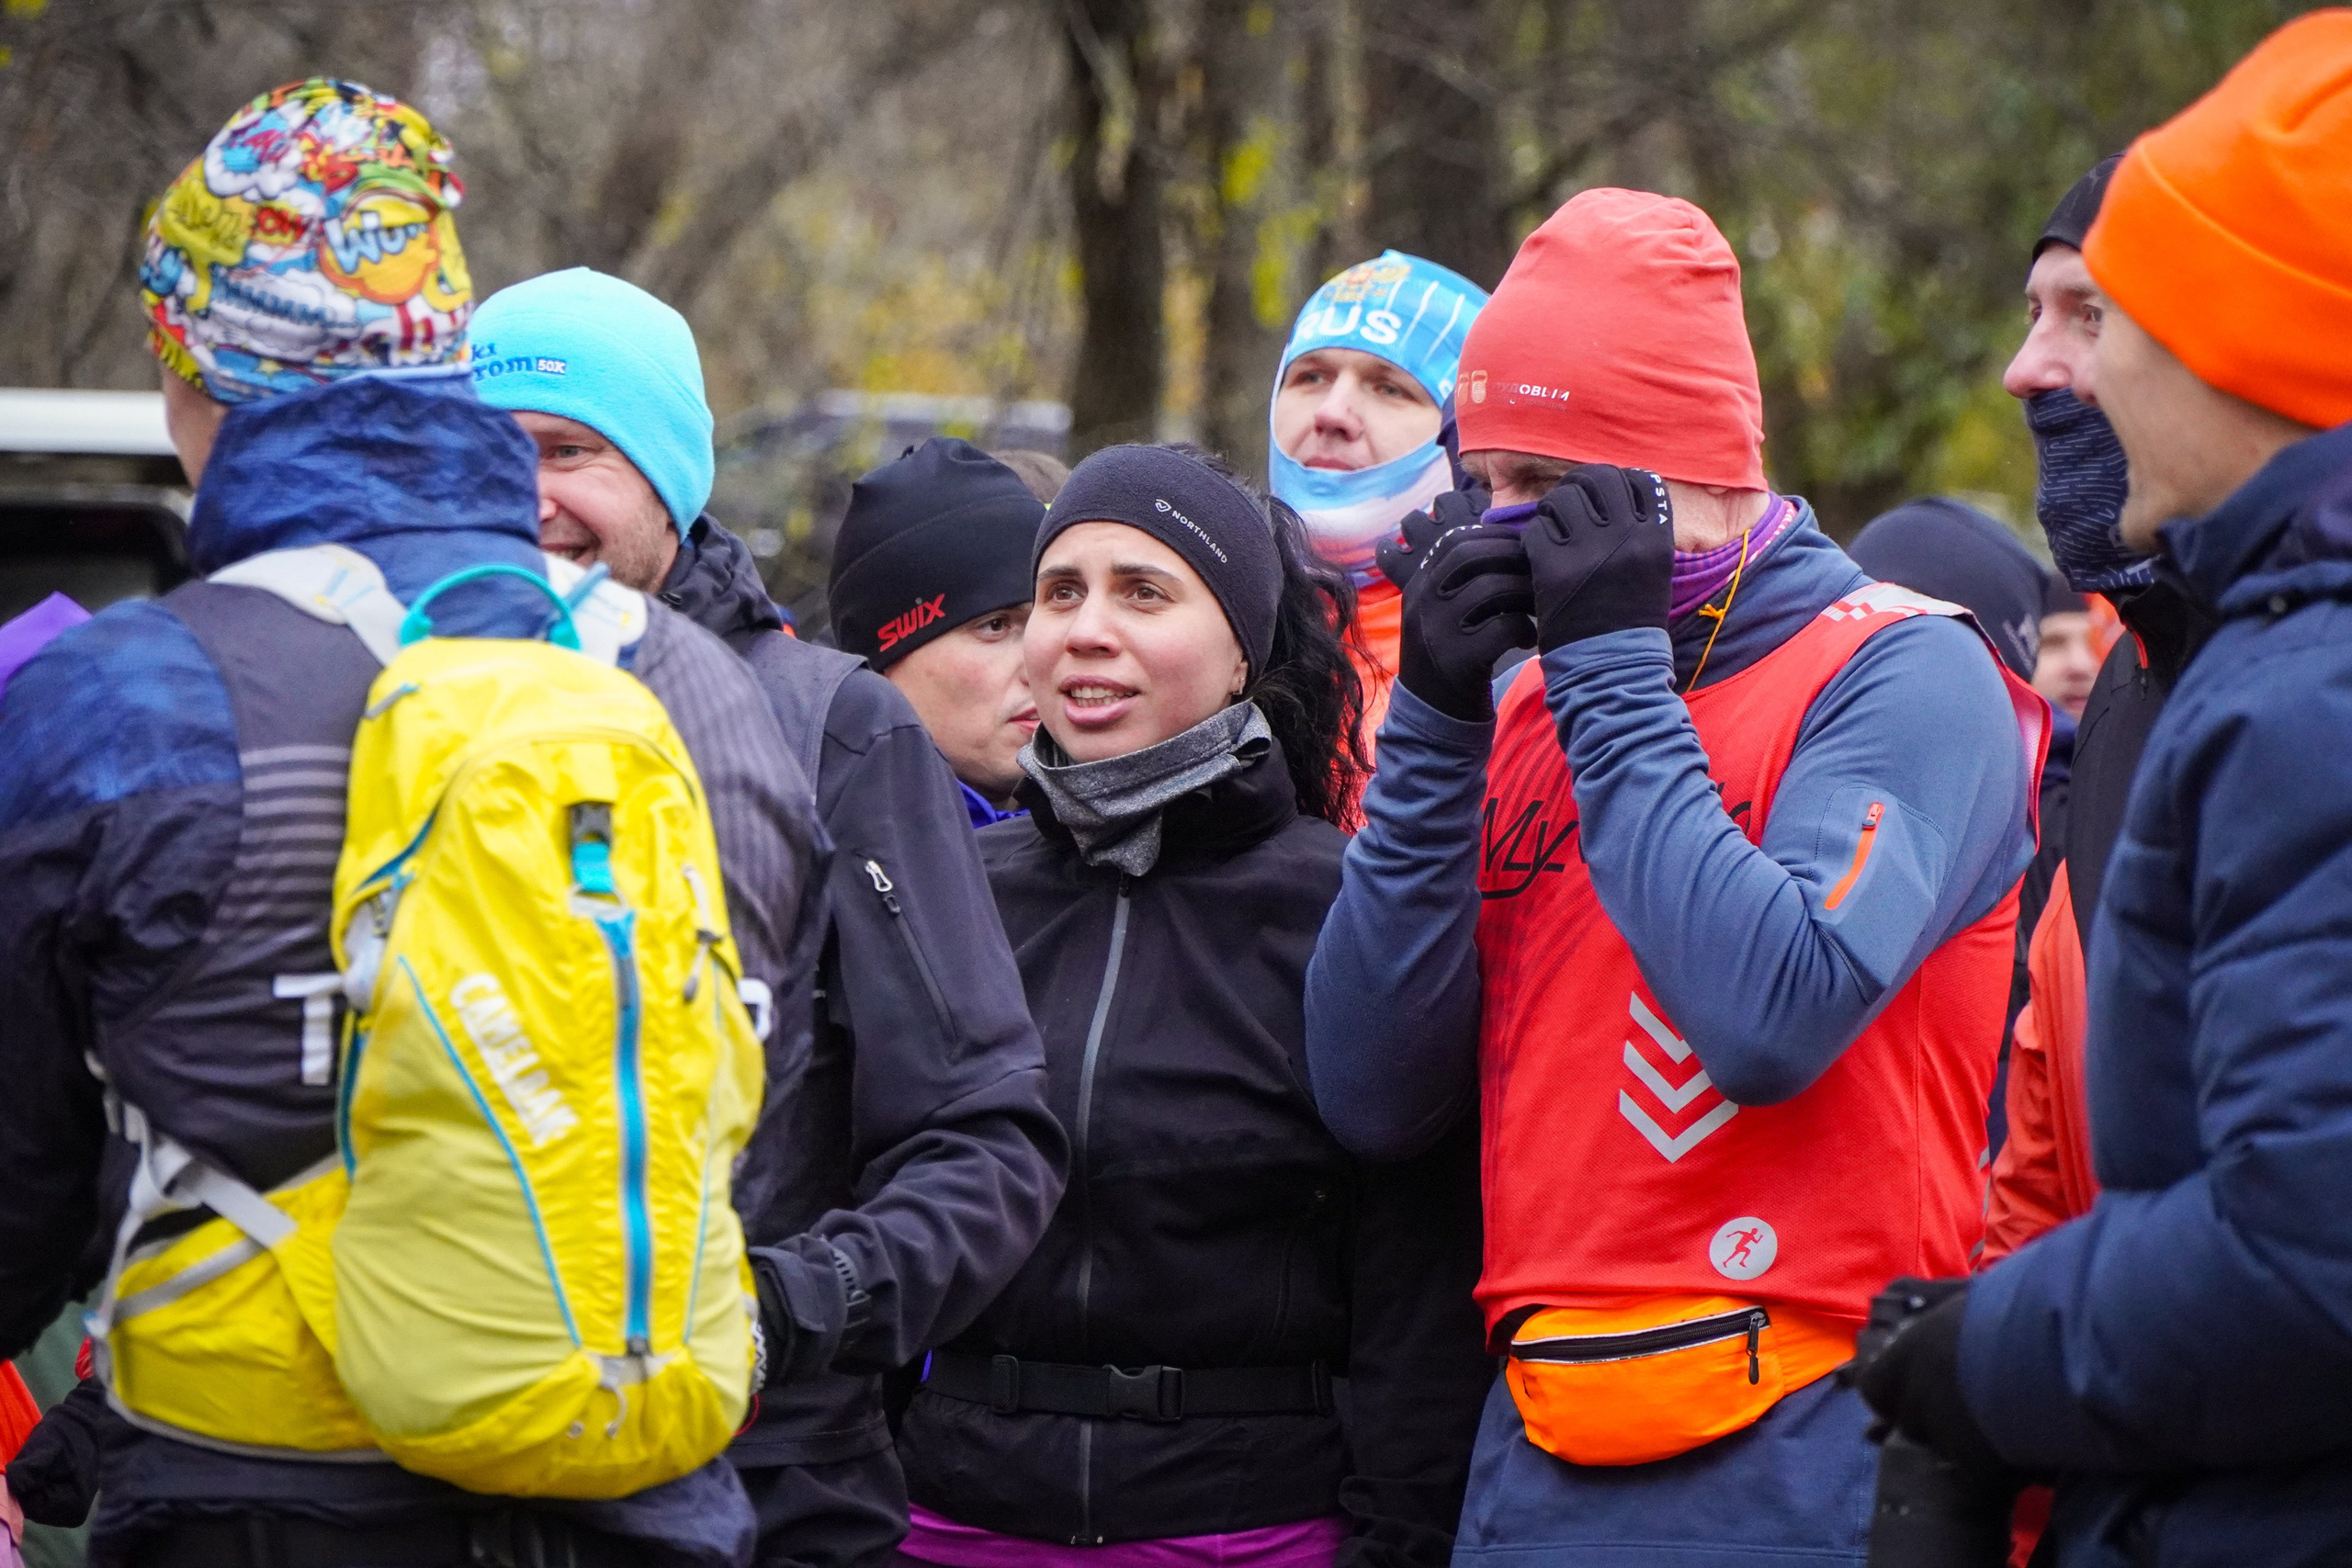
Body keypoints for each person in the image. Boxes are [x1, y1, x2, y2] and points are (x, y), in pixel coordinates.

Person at [0, 80, 817, 1567]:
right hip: (639, 1490)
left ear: (197, 373)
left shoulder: (122, 699)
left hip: (255, 1503)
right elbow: (733, 1083)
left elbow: (20, 1173)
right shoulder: (690, 684)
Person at [1304, 187, 2041, 1567]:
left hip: (1818, 1435)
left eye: (1547, 487)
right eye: (1481, 481)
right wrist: (1439, 730)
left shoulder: (1905, 666)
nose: (1499, 528)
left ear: (1678, 466)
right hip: (1535, 1440)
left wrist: (1604, 672)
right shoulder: (1533, 700)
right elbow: (1371, 1091)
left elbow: (1770, 1016)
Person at [469, 267, 1069, 1568]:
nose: (528, 497)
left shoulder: (827, 726)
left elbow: (986, 1138)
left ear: (668, 477)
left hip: (761, 1483)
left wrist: (776, 1315)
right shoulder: (390, 703)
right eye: (486, 452)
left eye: (570, 451)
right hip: (431, 1474)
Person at [1851, 17, 2352, 1563]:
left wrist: (1977, 1365)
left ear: (2231, 339)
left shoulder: (2310, 697)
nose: (2041, 374)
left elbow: (2308, 1256)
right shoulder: (2236, 665)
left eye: (2111, 313)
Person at [896, 444, 1488, 1567]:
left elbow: (1417, 1289)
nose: (1086, 628)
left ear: (1239, 659)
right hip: (948, 1522)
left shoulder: (1345, 910)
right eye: (1058, 592)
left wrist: (1399, 1542)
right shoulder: (954, 892)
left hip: (1249, 1529)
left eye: (1143, 592)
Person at [1269, 251, 1487, 741]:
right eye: (1310, 377)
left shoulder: (1525, 663)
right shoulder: (1203, 627)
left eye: (1390, 388)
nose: (1332, 413)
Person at [828, 439, 1048, 827]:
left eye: (1050, 617)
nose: (1042, 663)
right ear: (884, 661)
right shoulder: (800, 842)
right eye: (995, 626)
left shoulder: (1120, 840)